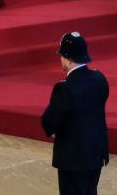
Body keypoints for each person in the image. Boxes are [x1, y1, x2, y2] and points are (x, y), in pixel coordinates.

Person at [40, 32, 109, 195]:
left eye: (62, 56)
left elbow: (48, 123)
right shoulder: (100, 79)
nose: (60, 59)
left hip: (73, 160)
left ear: (68, 59)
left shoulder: (65, 89)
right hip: (95, 155)